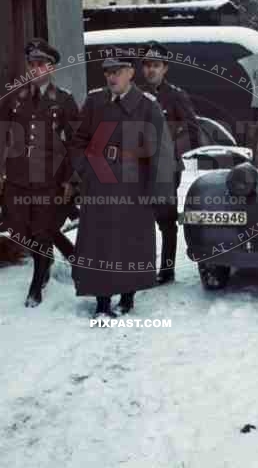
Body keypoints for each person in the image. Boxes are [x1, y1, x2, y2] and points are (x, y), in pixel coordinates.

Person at [70, 48, 175, 320]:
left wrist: (157, 192)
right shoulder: (95, 102)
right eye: (107, 72)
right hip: (98, 183)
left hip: (134, 185)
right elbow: (79, 140)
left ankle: (128, 296)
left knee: (131, 242)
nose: (111, 77)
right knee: (98, 242)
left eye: (117, 71)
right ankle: (102, 302)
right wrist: (85, 169)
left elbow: (160, 153)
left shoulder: (147, 105)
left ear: (130, 73)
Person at [0, 37, 79, 307]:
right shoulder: (13, 98)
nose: (35, 68)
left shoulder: (64, 100)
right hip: (17, 176)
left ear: (51, 68)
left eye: (41, 64)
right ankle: (64, 254)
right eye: (32, 63)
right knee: (17, 228)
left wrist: (71, 180)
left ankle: (37, 281)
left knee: (42, 229)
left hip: (49, 177)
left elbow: (77, 143)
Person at [141, 41, 200, 284]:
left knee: (165, 220)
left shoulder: (175, 96)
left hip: (166, 168)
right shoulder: (133, 93)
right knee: (140, 218)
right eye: (147, 66)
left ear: (165, 68)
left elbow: (192, 130)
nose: (150, 71)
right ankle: (141, 268)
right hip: (138, 168)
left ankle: (166, 270)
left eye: (156, 66)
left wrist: (173, 151)